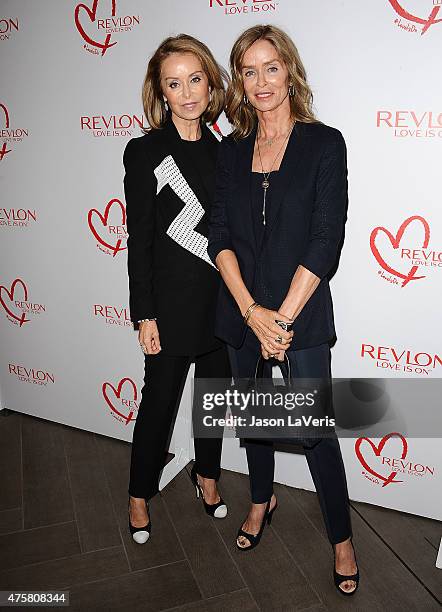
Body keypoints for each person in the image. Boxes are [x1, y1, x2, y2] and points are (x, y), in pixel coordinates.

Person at [208, 25, 359, 595]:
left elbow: (326, 240)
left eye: (271, 67)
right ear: (239, 83)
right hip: (242, 311)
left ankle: (342, 538)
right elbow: (217, 231)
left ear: (289, 71)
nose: (261, 81)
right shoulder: (232, 150)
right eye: (248, 71)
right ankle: (261, 499)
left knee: (316, 432)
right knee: (254, 418)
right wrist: (251, 313)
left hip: (303, 315)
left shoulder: (325, 144)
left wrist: (284, 320)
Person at [124, 34, 231, 545]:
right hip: (168, 309)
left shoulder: (229, 152)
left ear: (210, 84)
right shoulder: (144, 151)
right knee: (159, 404)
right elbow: (139, 236)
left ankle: (206, 476)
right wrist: (144, 313)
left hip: (220, 307)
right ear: (161, 92)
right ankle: (139, 492)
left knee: (213, 401)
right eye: (174, 83)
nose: (186, 93)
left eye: (195, 80)